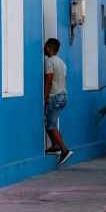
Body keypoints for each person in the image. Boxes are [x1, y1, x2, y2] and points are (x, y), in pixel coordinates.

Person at [43, 38, 73, 166]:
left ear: (49, 48)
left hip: (54, 97)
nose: (43, 48)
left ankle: (65, 151)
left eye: (45, 46)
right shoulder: (62, 63)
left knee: (51, 126)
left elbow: (49, 80)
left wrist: (45, 98)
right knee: (49, 123)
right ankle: (55, 146)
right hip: (63, 97)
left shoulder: (50, 62)